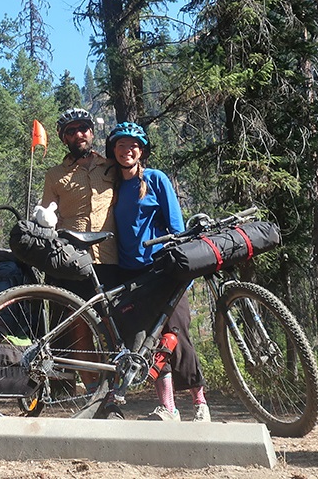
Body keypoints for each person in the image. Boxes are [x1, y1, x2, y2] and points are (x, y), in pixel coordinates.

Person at [106, 121, 210, 423]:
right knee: (148, 342)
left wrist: (182, 272)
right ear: (114, 150)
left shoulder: (155, 179)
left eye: (134, 145)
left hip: (164, 271)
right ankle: (168, 408)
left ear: (142, 151)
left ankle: (200, 403)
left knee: (176, 336)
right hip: (131, 276)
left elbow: (177, 229)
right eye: (122, 145)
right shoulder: (112, 186)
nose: (128, 150)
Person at [38, 108, 120, 296]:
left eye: (83, 128)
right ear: (64, 139)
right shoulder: (54, 175)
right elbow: (46, 220)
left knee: (110, 320)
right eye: (71, 131)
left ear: (91, 132)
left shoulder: (111, 167)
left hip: (109, 257)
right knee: (76, 320)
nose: (78, 134)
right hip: (72, 257)